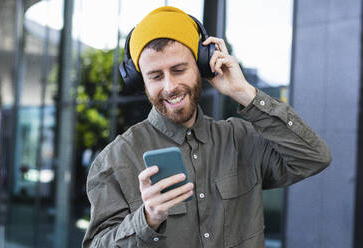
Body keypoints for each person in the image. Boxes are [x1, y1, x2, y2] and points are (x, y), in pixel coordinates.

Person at [82, 6, 331, 248]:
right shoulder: (114, 160)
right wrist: (147, 218)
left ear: (202, 66)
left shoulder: (241, 139)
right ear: (141, 81)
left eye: (179, 69)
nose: (169, 87)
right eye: (156, 76)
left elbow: (313, 158)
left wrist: (245, 93)